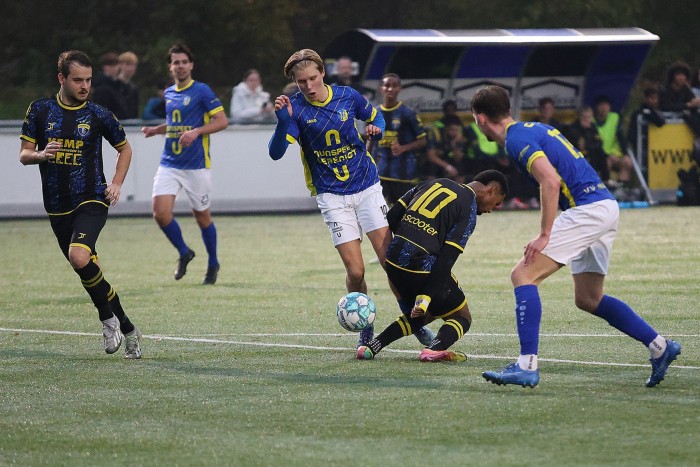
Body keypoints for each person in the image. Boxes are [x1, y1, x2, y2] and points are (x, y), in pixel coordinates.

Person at [471, 85, 682, 388]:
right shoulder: (534, 128)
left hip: (587, 210)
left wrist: (545, 234)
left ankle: (526, 365)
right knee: (588, 298)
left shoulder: (516, 140)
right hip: (605, 205)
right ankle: (660, 346)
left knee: (523, 275)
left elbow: (550, 181)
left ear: (480, 118)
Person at [267, 48, 435, 349]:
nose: (309, 86)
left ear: (322, 72)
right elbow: (275, 153)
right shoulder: (295, 108)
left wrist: (376, 128)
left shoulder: (347, 96)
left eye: (313, 78)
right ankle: (365, 324)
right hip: (332, 196)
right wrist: (281, 123)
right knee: (356, 271)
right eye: (301, 81)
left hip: (367, 187)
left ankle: (415, 322)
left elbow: (376, 118)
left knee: (390, 263)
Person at [19, 50, 142, 358]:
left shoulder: (99, 114)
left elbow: (125, 149)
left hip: (92, 199)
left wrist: (116, 183)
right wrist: (41, 154)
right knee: (88, 270)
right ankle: (128, 328)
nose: (85, 86)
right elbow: (24, 154)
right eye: (78, 80)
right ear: (61, 78)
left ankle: (107, 320)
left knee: (78, 256)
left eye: (88, 80)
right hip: (57, 206)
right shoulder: (40, 110)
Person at [356, 170, 508, 362]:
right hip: (420, 266)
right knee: (462, 316)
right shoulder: (468, 208)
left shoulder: (433, 182)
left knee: (424, 315)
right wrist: (426, 296)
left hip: (393, 262)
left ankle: (371, 347)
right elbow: (446, 259)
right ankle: (433, 350)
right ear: (491, 190)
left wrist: (410, 237)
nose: (492, 209)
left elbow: (393, 216)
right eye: (496, 203)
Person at [141, 43, 228, 285]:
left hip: (196, 165)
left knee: (202, 217)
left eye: (184, 62)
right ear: (170, 67)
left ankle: (213, 262)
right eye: (175, 62)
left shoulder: (202, 91)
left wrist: (197, 132)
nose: (180, 66)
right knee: (160, 214)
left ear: (191, 65)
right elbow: (175, 124)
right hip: (169, 163)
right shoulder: (169, 93)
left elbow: (222, 121)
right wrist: (157, 130)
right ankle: (184, 251)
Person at [373, 73, 427, 205]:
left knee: (402, 211)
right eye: (387, 85)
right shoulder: (374, 113)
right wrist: (366, 160)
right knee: (377, 211)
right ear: (381, 89)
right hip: (379, 173)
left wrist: (403, 148)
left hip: (402, 174)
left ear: (399, 89)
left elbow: (422, 141)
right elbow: (371, 139)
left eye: (394, 86)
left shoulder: (408, 114)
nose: (390, 89)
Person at [593, 95, 635, 195]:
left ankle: (621, 188)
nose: (604, 108)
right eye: (601, 105)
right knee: (606, 163)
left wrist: (625, 153)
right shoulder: (592, 121)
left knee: (627, 162)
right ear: (597, 107)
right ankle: (606, 190)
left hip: (614, 154)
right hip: (600, 155)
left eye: (606, 105)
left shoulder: (614, 117)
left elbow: (621, 136)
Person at [564, 106, 609, 182]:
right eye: (584, 117)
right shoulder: (573, 128)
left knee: (600, 152)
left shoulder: (592, 126)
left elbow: (599, 142)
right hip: (575, 155)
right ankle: (593, 179)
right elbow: (580, 145)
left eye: (589, 117)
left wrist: (590, 142)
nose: (586, 119)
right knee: (592, 151)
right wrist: (590, 141)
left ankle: (606, 180)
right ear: (579, 117)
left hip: (591, 152)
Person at [92, 51, 129, 119]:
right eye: (111, 66)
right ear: (105, 67)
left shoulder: (119, 85)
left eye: (116, 65)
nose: (114, 68)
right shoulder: (100, 86)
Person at [117, 51, 140, 119]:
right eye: (128, 64)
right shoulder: (113, 86)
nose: (131, 68)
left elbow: (135, 111)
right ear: (120, 65)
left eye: (134, 65)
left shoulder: (134, 88)